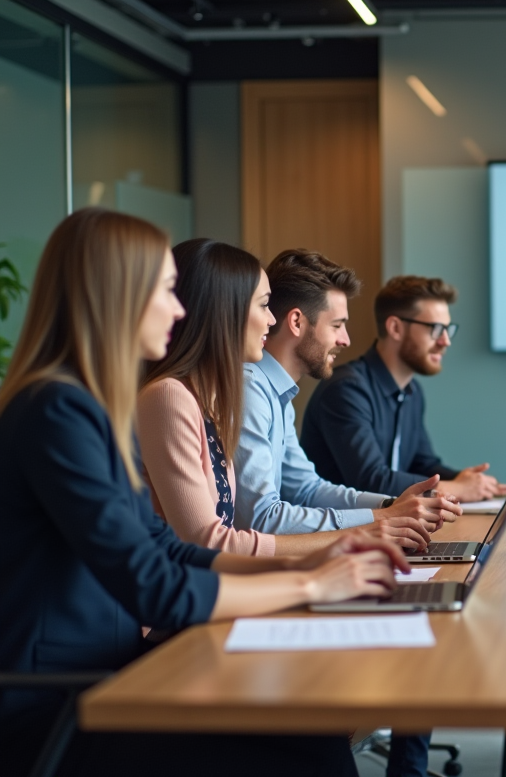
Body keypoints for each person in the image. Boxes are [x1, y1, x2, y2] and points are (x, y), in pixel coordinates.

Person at [0, 208, 411, 777]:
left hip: (110, 678)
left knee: (309, 733)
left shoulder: (86, 406)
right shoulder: (56, 411)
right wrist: (311, 583)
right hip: (63, 705)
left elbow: (165, 547)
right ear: (116, 296)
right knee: (309, 747)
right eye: (165, 292)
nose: (177, 310)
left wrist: (310, 562)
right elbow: (153, 586)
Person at [139, 239, 434, 557]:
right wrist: (367, 528)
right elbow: (220, 540)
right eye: (263, 305)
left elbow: (304, 489)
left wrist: (387, 511)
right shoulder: (178, 396)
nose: (271, 319)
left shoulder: (215, 398)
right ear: (225, 311)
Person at [233, 249, 461, 538]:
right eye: (337, 325)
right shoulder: (251, 390)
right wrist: (382, 517)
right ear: (297, 322)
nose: (346, 340)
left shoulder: (279, 395)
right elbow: (261, 519)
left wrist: (391, 505)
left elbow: (307, 490)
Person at [303, 275, 506, 501]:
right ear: (395, 328)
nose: (445, 341)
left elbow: (423, 464)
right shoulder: (346, 389)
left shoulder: (412, 391)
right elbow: (371, 480)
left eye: (447, 329)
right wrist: (457, 488)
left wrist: (469, 481)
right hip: (340, 522)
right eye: (436, 329)